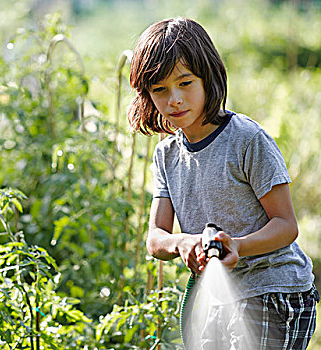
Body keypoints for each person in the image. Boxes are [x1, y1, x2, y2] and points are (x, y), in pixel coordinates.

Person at [127, 17, 318, 349]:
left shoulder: (246, 139)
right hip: (218, 298)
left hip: (273, 290)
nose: (174, 99)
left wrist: (239, 246)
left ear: (209, 78)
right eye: (160, 89)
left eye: (185, 83)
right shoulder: (166, 155)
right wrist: (182, 244)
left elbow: (286, 225)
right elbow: (155, 238)